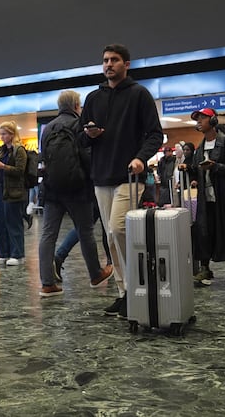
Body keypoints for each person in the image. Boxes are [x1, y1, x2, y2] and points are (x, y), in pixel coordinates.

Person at [79, 43, 163, 318]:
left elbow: (154, 134)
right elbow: (81, 138)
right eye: (105, 60)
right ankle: (124, 292)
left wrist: (141, 158)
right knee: (110, 238)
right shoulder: (93, 98)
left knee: (118, 229)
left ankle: (136, 288)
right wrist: (88, 135)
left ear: (126, 64)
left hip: (129, 175)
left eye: (114, 60)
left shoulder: (139, 94)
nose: (108, 64)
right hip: (101, 175)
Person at [38, 90, 113, 297]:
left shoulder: (47, 129)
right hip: (78, 188)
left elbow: (44, 157)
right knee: (85, 230)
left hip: (52, 188)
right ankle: (95, 274)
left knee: (48, 234)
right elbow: (86, 155)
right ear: (76, 106)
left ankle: (47, 283)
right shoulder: (78, 125)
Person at [180, 108, 225, 285]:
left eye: (203, 118)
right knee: (204, 232)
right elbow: (197, 170)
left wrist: (215, 166)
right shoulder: (200, 147)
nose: (199, 121)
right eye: (197, 119)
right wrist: (189, 170)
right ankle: (205, 268)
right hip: (206, 198)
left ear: (213, 121)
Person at [0, 121, 28, 267]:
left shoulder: (19, 150)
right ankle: (3, 253)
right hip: (0, 190)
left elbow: (20, 171)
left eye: (4, 134)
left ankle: (17, 254)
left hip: (14, 191)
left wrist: (3, 167)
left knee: (13, 223)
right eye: (1, 134)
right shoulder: (1, 150)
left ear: (12, 134)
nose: (2, 137)